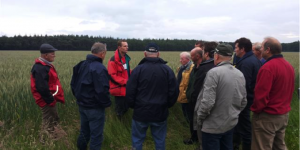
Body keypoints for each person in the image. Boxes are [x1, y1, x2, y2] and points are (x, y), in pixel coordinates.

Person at [126, 43, 179, 150]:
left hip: (140, 112)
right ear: (158, 54)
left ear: (145, 54)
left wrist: (134, 106)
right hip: (160, 111)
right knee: (159, 140)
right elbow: (174, 91)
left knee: (137, 140)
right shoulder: (167, 70)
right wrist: (167, 105)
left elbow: (130, 91)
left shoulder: (138, 70)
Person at [195, 44, 247, 150]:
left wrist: (199, 118)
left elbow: (208, 102)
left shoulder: (213, 73)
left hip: (212, 126)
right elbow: (243, 101)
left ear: (217, 56)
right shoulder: (239, 74)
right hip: (230, 124)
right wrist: (233, 114)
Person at [251, 37, 295, 150]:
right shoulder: (288, 66)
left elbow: (261, 96)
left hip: (267, 116)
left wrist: (256, 111)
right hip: (283, 114)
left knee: (261, 146)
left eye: (262, 48)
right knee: (279, 146)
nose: (260, 50)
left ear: (268, 49)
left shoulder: (267, 68)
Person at [71, 42, 111, 150]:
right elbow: (102, 90)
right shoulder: (99, 68)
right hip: (95, 107)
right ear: (102, 53)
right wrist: (106, 104)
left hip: (82, 105)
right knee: (96, 136)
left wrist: (79, 98)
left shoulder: (80, 65)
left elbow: (73, 84)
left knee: (84, 132)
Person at [30, 43, 65, 141]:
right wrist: (50, 100)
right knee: (48, 121)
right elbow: (42, 87)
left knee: (54, 119)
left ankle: (53, 139)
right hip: (46, 100)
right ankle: (45, 142)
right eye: (52, 53)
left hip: (49, 99)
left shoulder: (45, 66)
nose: (54, 55)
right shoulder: (40, 68)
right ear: (45, 55)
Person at [233, 37, 262, 150]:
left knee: (245, 127)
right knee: (242, 126)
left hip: (245, 101)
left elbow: (243, 85)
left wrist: (237, 101)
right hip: (250, 99)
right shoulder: (253, 59)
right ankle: (236, 144)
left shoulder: (246, 63)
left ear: (242, 49)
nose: (235, 50)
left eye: (236, 47)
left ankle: (246, 147)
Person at [192, 41, 217, 150]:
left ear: (206, 54)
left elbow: (197, 89)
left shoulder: (205, 68)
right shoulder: (230, 69)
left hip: (204, 104)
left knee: (203, 128)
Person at [108, 40, 131, 119]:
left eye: (127, 46)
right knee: (120, 110)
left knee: (126, 107)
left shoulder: (125, 58)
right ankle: (118, 124)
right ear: (119, 47)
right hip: (118, 89)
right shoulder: (113, 60)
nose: (127, 47)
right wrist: (126, 81)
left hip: (125, 88)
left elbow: (126, 72)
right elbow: (112, 75)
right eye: (124, 46)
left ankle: (122, 123)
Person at [185, 47, 203, 145]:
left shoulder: (202, 68)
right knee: (192, 120)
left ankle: (197, 140)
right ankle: (193, 137)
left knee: (197, 121)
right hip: (192, 99)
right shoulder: (195, 67)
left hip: (198, 100)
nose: (190, 57)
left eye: (191, 55)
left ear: (197, 56)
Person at [176, 52, 194, 123]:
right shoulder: (181, 68)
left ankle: (188, 127)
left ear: (187, 59)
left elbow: (190, 83)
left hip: (186, 95)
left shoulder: (192, 68)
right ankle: (185, 125)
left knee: (188, 113)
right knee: (184, 112)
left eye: (182, 59)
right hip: (181, 94)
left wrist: (186, 93)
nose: (180, 60)